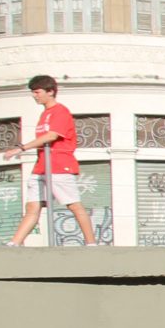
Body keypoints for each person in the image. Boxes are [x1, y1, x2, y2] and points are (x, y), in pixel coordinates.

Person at [6, 74, 98, 246]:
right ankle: (15, 243)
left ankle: (91, 243)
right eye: (33, 92)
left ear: (50, 91)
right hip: (41, 167)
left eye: (37, 92)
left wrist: (21, 148)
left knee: (73, 205)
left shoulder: (60, 112)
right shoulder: (44, 114)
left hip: (59, 166)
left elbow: (51, 135)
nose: (35, 96)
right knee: (32, 207)